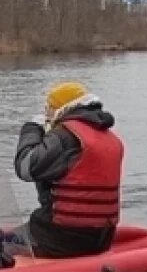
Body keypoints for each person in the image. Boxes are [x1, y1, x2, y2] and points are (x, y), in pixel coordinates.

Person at [10, 82, 125, 258]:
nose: (46, 114)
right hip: (101, 237)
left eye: (48, 108)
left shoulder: (66, 136)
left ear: (59, 109)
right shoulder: (109, 137)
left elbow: (26, 167)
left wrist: (31, 129)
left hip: (61, 237)